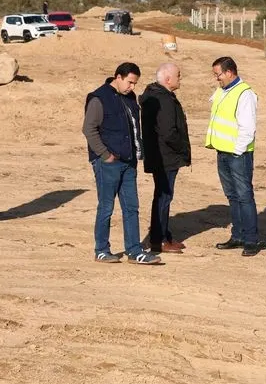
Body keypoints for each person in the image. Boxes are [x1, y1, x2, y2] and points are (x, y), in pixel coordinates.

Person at [82, 62, 161, 265]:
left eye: (135, 83)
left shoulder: (130, 98)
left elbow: (134, 129)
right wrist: (105, 155)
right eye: (130, 82)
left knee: (131, 207)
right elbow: (89, 130)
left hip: (128, 162)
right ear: (118, 77)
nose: (132, 87)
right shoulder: (99, 98)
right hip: (108, 163)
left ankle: (134, 250)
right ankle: (101, 249)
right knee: (106, 208)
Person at [205, 56, 260, 256]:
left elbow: (248, 128)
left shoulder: (245, 94)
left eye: (218, 74)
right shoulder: (222, 91)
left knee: (244, 197)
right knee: (233, 196)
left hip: (239, 155)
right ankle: (237, 236)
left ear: (229, 72)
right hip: (223, 152)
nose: (216, 79)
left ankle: (251, 240)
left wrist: (237, 151)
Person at [139, 62, 191, 254]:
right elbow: (169, 133)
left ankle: (162, 235)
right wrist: (182, 150)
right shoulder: (164, 100)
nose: (180, 78)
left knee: (162, 197)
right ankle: (159, 239)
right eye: (178, 75)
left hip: (159, 156)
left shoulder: (155, 96)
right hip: (166, 157)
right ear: (168, 79)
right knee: (163, 197)